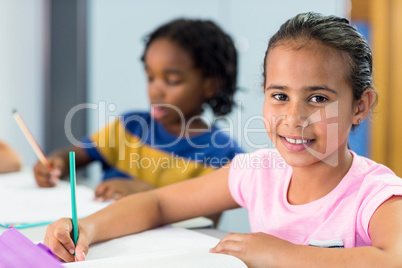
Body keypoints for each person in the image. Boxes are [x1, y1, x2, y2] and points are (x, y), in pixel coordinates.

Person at [44, 12, 402, 266]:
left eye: (318, 98)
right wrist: (86, 227)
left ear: (360, 106)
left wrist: (279, 253)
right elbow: (159, 205)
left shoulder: (377, 193)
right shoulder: (257, 172)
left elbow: (392, 259)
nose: (294, 118)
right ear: (263, 93)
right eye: (280, 96)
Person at [33, 19, 243, 203]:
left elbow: (204, 221)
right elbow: (75, 155)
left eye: (172, 80)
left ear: (211, 85)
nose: (155, 90)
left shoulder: (224, 154)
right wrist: (57, 163)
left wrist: (147, 194)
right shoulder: (130, 127)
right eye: (150, 77)